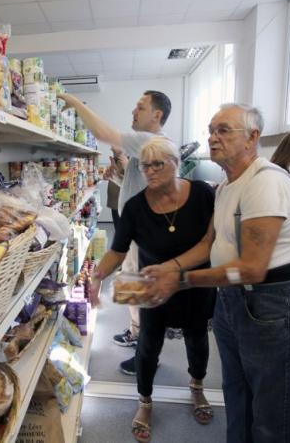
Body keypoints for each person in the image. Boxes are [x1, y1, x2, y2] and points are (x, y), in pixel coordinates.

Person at [142, 103, 290, 443]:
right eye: (211, 130)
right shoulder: (226, 186)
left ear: (253, 137)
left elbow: (252, 269)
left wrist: (181, 281)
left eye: (223, 130)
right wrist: (168, 267)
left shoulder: (264, 184)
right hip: (233, 303)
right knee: (238, 396)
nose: (212, 138)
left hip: (276, 308)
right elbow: (211, 241)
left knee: (277, 411)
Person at [90, 137, 216, 442]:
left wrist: (173, 268)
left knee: (196, 338)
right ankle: (144, 402)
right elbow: (118, 251)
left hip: (193, 282)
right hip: (151, 284)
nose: (150, 171)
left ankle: (197, 389)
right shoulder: (134, 206)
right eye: (145, 165)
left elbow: (209, 242)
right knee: (148, 344)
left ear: (176, 163)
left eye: (158, 163)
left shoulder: (201, 193)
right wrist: (96, 276)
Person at [58, 90, 171, 375]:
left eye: (140, 106)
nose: (134, 111)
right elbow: (141, 186)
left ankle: (147, 356)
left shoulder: (150, 140)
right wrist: (120, 175)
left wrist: (74, 102)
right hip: (139, 234)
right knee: (133, 291)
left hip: (146, 237)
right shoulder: (149, 147)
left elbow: (103, 132)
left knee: (141, 295)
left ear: (156, 115)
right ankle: (136, 335)